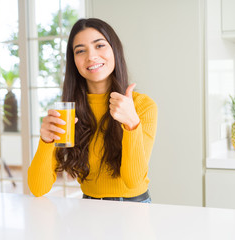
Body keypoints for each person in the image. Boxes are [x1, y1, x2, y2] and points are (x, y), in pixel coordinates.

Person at [28, 18, 158, 203]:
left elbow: (133, 180)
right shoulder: (69, 111)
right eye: (80, 50)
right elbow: (37, 188)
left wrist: (131, 125)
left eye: (99, 46)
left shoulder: (142, 106)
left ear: (115, 50)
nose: (91, 56)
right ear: (74, 61)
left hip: (133, 206)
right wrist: (46, 141)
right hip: (88, 205)